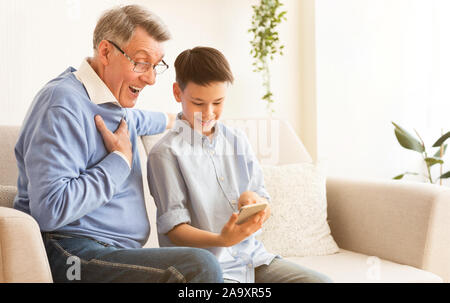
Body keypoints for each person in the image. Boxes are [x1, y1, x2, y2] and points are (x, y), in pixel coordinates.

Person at [13, 5, 223, 283]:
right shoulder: (61, 104)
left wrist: (180, 118)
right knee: (198, 266)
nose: (149, 78)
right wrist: (119, 162)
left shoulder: (111, 103)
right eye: (140, 62)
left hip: (111, 252)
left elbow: (139, 120)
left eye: (155, 65)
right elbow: (50, 210)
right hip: (70, 252)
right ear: (105, 52)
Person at [147, 47, 333, 283]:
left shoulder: (237, 140)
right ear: (177, 92)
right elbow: (174, 229)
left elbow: (265, 203)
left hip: (253, 260)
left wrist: (254, 201)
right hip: (206, 271)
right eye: (198, 103)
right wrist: (222, 240)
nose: (209, 112)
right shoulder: (165, 154)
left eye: (218, 102)